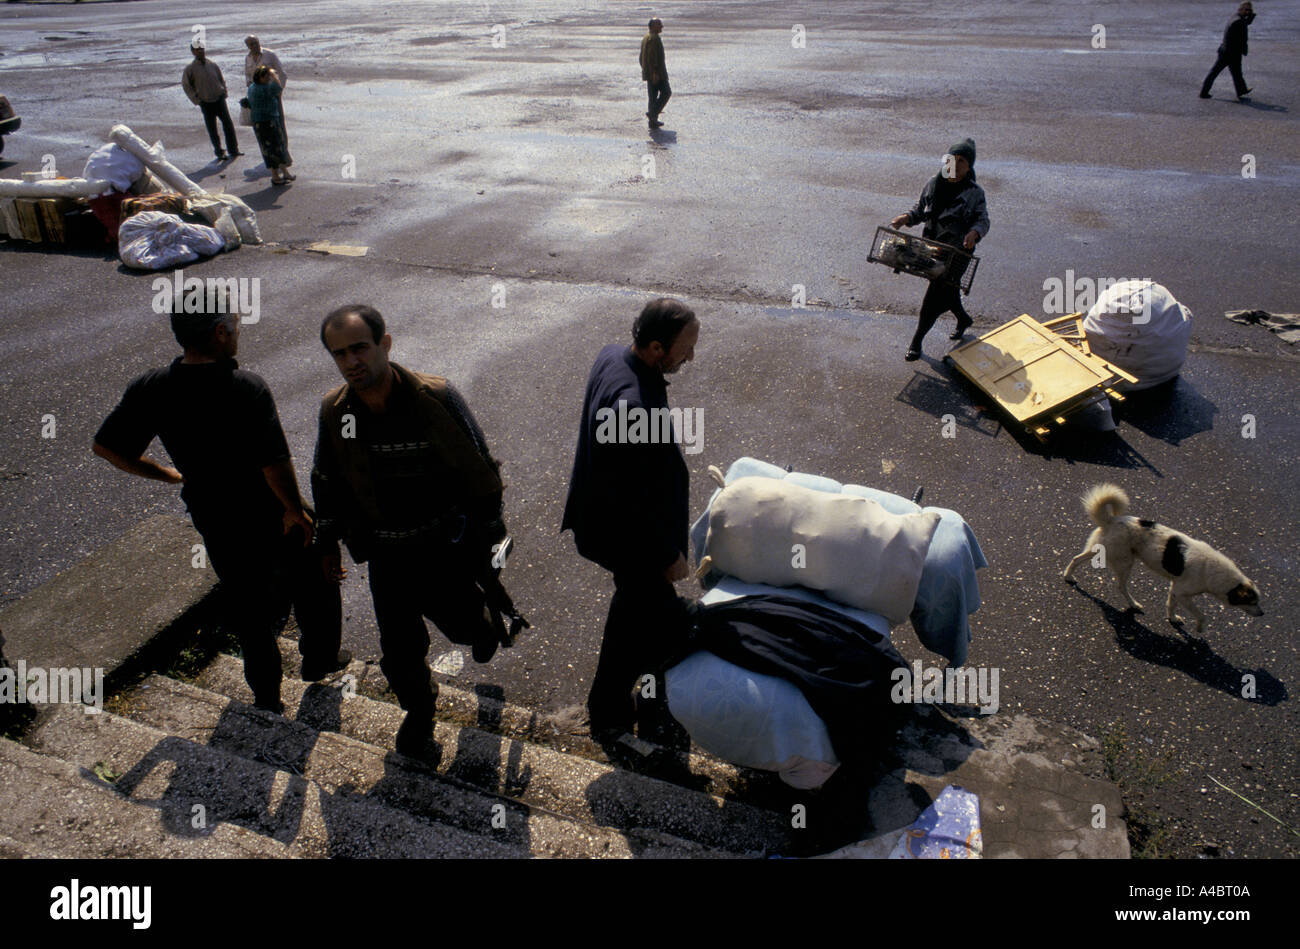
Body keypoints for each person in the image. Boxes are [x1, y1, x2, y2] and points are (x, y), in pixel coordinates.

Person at [92, 309, 346, 714]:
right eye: (236, 327)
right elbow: (273, 464)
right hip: (268, 511)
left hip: (213, 514)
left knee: (248, 606)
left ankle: (266, 697)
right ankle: (317, 662)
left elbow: (107, 448)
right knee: (314, 582)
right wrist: (295, 510)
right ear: (220, 332)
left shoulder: (151, 386)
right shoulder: (245, 387)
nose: (239, 333)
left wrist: (172, 475)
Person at [311, 305, 522, 757]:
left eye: (360, 348)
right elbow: (325, 480)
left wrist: (489, 538)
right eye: (340, 354)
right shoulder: (336, 412)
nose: (351, 362)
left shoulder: (436, 398)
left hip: (442, 548)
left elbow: (481, 470)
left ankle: (483, 630)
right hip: (386, 555)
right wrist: (326, 542)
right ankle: (420, 715)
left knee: (464, 626)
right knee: (400, 650)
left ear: (385, 344)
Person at [561, 299, 700, 745]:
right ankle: (611, 716)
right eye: (686, 348)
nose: (690, 357)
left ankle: (633, 702)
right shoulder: (633, 406)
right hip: (627, 538)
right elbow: (631, 503)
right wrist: (669, 556)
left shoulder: (613, 355)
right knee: (659, 620)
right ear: (657, 349)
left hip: (611, 526)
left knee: (639, 614)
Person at [890, 137, 989, 361]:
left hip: (958, 253)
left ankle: (916, 342)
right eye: (952, 158)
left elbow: (983, 220)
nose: (955, 163)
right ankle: (963, 319)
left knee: (934, 296)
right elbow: (920, 210)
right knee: (948, 290)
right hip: (931, 249)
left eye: (962, 160)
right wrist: (905, 218)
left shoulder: (974, 193)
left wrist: (974, 234)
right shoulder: (934, 183)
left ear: (969, 166)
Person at [182, 42, 242, 162]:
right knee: (212, 129)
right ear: (193, 52)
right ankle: (219, 152)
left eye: (202, 49)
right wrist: (197, 100)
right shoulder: (190, 69)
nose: (200, 51)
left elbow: (221, 79)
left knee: (228, 125)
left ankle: (233, 150)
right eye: (197, 50)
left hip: (219, 99)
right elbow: (186, 86)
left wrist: (224, 91)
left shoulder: (212, 64)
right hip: (205, 102)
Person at [247, 65, 294, 185]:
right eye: (266, 76)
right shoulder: (263, 89)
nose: (268, 78)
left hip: (262, 121)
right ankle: (275, 176)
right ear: (260, 77)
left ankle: (284, 173)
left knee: (275, 147)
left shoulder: (252, 87)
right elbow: (278, 87)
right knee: (273, 149)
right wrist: (274, 75)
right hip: (267, 121)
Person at [1200, 3, 1255, 100]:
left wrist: (1251, 16)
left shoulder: (1236, 17)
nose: (1247, 12)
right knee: (1216, 72)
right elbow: (1241, 35)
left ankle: (1241, 91)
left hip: (1228, 50)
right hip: (1230, 52)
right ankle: (1204, 92)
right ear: (1240, 9)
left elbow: (1245, 24)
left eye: (1249, 10)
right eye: (1246, 10)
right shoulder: (1238, 21)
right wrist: (1243, 50)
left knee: (1235, 73)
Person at [640, 18, 670, 129]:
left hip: (649, 73)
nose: (662, 26)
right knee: (666, 92)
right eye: (659, 24)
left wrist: (646, 70)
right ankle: (653, 114)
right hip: (657, 74)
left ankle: (653, 121)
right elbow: (653, 58)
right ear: (652, 26)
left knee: (652, 97)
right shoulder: (654, 38)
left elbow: (641, 58)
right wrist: (655, 73)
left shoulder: (646, 37)